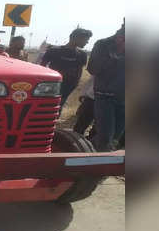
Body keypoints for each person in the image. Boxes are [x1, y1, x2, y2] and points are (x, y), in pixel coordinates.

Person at [87, 23, 125, 151]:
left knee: (114, 137)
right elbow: (92, 69)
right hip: (105, 96)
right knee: (106, 137)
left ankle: (88, 149)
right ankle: (96, 165)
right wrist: (117, 54)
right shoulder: (103, 44)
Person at [40, 27, 92, 109]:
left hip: (67, 88)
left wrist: (73, 85)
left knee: (58, 108)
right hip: (50, 87)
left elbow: (78, 72)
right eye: (85, 39)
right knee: (44, 107)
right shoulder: (54, 51)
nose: (87, 42)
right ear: (74, 37)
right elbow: (42, 68)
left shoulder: (82, 55)